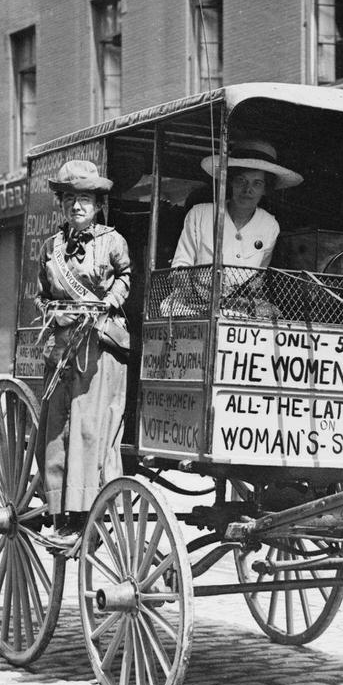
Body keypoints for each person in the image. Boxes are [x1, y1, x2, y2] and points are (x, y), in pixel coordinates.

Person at [37, 160, 132, 547]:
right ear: (62, 203)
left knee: (91, 427)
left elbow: (126, 276)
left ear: (97, 205)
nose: (77, 207)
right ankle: (60, 512)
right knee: (58, 426)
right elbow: (41, 295)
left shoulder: (113, 241)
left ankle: (89, 510)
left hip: (100, 345)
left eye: (86, 200)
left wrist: (110, 301)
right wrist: (54, 310)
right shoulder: (51, 248)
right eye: (70, 199)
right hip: (62, 346)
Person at [164, 139, 301, 313]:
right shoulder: (200, 214)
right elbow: (181, 265)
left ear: (266, 188)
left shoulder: (270, 225)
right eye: (241, 180)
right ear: (229, 181)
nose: (247, 190)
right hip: (194, 304)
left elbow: (259, 276)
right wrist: (192, 300)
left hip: (240, 307)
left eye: (257, 183)